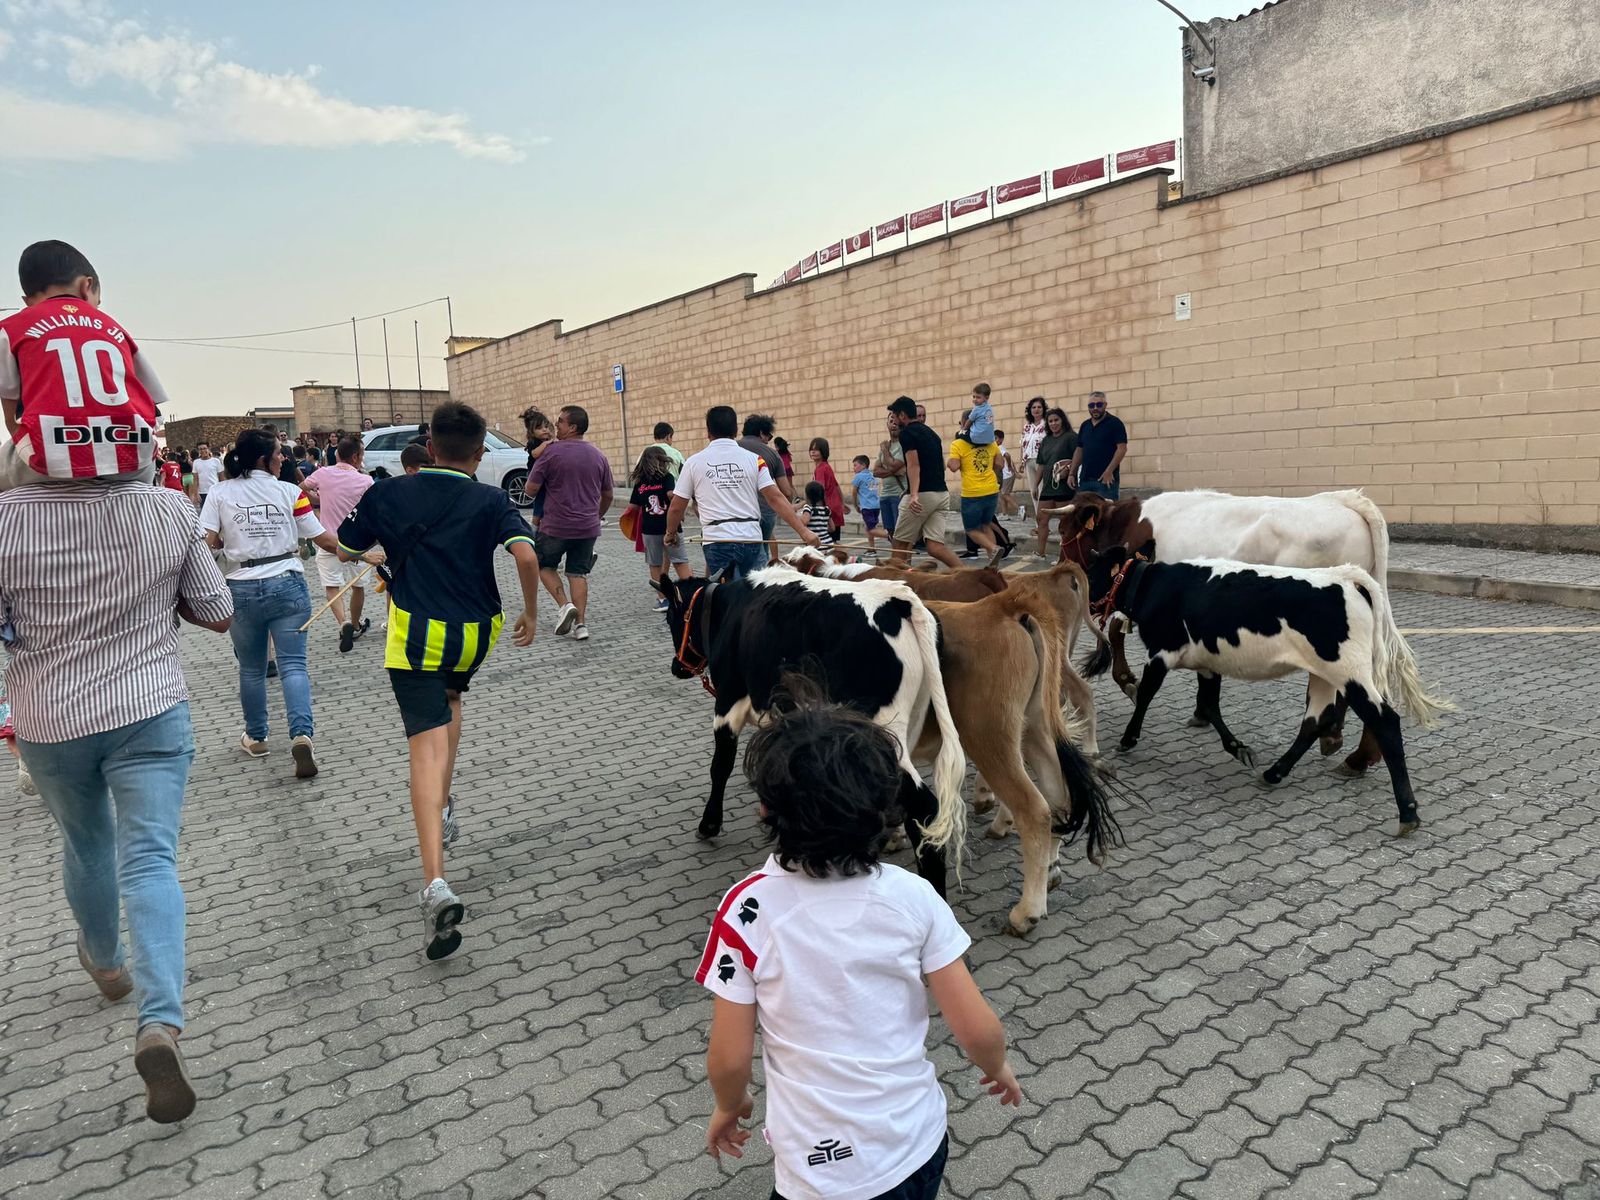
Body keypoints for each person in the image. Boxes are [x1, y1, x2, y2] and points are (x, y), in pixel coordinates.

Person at [699, 693, 1023, 1199]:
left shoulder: (747, 910)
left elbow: (731, 1057)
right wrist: (995, 1065)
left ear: (765, 807)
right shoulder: (912, 896)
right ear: (884, 809)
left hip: (818, 1168)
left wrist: (729, 1103)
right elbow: (975, 1025)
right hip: (916, 1145)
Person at [0, 455, 233, 1124]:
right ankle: (159, 1023)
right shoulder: (165, 506)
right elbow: (218, 612)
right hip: (149, 706)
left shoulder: (5, 517)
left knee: (86, 841)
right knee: (150, 859)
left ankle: (105, 964)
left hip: (50, 716)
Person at [335, 401, 540, 960]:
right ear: (479, 452)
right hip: (477, 631)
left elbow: (350, 547)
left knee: (423, 747)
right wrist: (531, 611)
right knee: (452, 697)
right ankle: (445, 804)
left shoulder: (388, 492)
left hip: (417, 631)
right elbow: (525, 554)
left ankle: (435, 883)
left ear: (428, 443)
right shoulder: (492, 497)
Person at [201, 428, 344, 778]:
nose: (284, 459)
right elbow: (323, 540)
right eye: (280, 453)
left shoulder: (219, 493)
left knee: (251, 669)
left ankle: (257, 736)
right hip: (288, 585)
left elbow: (206, 543)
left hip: (241, 588)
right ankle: (301, 734)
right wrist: (364, 554)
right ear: (264, 458)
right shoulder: (290, 492)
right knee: (294, 665)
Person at [0, 240, 166, 490]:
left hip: (48, 463)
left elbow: (11, 416)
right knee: (144, 471)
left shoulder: (11, 328)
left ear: (27, 300)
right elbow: (152, 405)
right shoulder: (115, 329)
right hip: (131, 460)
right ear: (87, 286)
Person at [665, 406, 818, 581]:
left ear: (708, 432)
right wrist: (804, 532)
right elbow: (775, 498)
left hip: (717, 540)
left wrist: (670, 533)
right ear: (736, 430)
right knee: (755, 598)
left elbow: (677, 507)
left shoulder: (693, 463)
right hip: (751, 538)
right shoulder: (755, 460)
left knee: (726, 599)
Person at [524, 405, 613, 643]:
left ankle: (565, 606)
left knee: (544, 566)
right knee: (578, 573)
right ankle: (581, 625)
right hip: (587, 528)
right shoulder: (598, 455)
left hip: (555, 526)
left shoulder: (551, 453)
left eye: (560, 422)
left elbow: (530, 491)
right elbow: (608, 494)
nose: (556, 425)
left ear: (572, 427)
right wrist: (597, 515)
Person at [303, 434, 375, 652]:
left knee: (332, 587)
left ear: (336, 454)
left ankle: (342, 622)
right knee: (358, 586)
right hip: (357, 543)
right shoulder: (366, 481)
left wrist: (318, 500)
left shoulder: (322, 473)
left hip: (327, 540)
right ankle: (355, 623)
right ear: (356, 457)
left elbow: (300, 488)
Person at [886, 396, 961, 569]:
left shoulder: (907, 434)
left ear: (903, 415)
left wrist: (913, 495)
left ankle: (897, 584)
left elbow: (913, 465)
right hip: (941, 494)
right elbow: (940, 465)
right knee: (935, 547)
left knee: (899, 543)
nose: (894, 420)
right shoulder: (931, 433)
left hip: (921, 494)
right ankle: (969, 576)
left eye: (895, 415)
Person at [630, 445, 691, 608]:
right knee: (680, 561)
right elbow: (671, 494)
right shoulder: (667, 477)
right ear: (662, 460)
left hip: (649, 530)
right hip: (670, 527)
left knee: (655, 564)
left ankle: (663, 599)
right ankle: (691, 595)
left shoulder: (639, 482)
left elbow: (633, 507)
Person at [738, 414, 791, 567]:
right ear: (761, 433)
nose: (768, 440)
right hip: (764, 512)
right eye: (769, 435)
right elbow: (786, 491)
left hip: (735, 514)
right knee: (761, 552)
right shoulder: (772, 454)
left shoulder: (732, 449)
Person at [948, 412, 1002, 559]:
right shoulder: (990, 441)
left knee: (971, 530)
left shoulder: (958, 444)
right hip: (991, 489)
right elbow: (1000, 463)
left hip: (972, 493)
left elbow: (954, 466)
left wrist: (950, 462)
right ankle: (993, 561)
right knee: (985, 525)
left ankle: (993, 548)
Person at [1033, 407, 1079, 557]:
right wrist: (1035, 485)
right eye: (1050, 421)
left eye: (1056, 420)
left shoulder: (1071, 437)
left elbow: (1079, 456)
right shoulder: (1046, 440)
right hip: (1047, 488)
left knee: (1065, 523)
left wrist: (1070, 470)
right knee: (1041, 519)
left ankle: (1065, 555)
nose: (1053, 424)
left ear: (1062, 420)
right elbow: (1041, 464)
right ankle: (1040, 553)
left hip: (1064, 488)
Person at [1067, 391, 1128, 500]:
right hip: (1085, 481)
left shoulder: (1115, 423)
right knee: (1085, 514)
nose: (1095, 408)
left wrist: (1109, 471)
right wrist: (1072, 473)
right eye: (1091, 405)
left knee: (1107, 515)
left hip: (1105, 481)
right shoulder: (1085, 426)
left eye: (1099, 405)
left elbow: (1122, 449)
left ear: (1105, 405)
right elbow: (1079, 450)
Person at [519, 407, 554, 531]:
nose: (544, 430)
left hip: (545, 476)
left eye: (546, 426)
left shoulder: (548, 441)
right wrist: (545, 444)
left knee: (547, 498)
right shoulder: (534, 442)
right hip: (535, 475)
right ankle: (534, 526)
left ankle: (543, 522)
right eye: (539, 428)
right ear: (531, 433)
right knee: (541, 499)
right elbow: (534, 454)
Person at [873, 414, 906, 540]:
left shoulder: (903, 445)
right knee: (890, 532)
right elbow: (875, 471)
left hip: (899, 494)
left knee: (901, 532)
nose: (893, 424)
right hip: (884, 495)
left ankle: (902, 559)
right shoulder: (885, 446)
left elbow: (893, 466)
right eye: (891, 421)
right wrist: (894, 470)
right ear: (887, 424)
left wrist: (885, 452)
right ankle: (896, 558)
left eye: (896, 421)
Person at [807, 438, 845, 543]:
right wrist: (842, 503)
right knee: (833, 541)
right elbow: (837, 486)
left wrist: (801, 505)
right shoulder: (826, 467)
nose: (813, 452)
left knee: (828, 542)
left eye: (816, 449)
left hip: (829, 509)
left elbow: (818, 492)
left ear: (823, 451)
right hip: (834, 507)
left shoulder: (821, 469)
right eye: (811, 449)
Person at [1018, 396, 1048, 515]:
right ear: (1030, 410)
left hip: (1041, 461)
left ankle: (1043, 522)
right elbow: (1022, 444)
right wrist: (1021, 462)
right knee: (1033, 492)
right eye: (1034, 407)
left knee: (1041, 491)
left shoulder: (1047, 424)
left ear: (1043, 409)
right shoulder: (1027, 426)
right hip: (1028, 461)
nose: (1036, 410)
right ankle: (1038, 523)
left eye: (1039, 407)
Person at [850, 453, 881, 555]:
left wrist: (855, 505)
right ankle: (872, 549)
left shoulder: (858, 476)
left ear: (863, 465)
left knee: (871, 529)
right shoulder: (872, 476)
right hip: (876, 506)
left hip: (867, 507)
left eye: (855, 465)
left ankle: (889, 535)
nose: (853, 468)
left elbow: (854, 492)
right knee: (869, 528)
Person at [800, 480, 834, 549]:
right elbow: (832, 528)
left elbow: (803, 522)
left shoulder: (808, 508)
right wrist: (821, 529)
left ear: (807, 495)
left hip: (816, 546)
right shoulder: (826, 509)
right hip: (829, 544)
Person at [995, 430, 1019, 518]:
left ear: (1001, 440)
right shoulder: (999, 448)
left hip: (1006, 475)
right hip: (1005, 475)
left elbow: (1008, 456)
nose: (994, 441)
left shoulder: (1000, 448)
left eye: (996, 438)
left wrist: (1009, 467)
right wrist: (1015, 471)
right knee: (1001, 495)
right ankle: (1005, 514)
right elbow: (1010, 460)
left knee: (1005, 494)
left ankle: (1020, 509)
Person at [964, 381, 996, 446]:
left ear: (986, 398)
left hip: (977, 438)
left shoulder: (977, 409)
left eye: (978, 397)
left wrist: (963, 429)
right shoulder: (989, 408)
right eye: (974, 397)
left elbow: (969, 421)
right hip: (990, 439)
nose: (975, 399)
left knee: (960, 435)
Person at [193, 442, 221, 510]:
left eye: (204, 448)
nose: (203, 451)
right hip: (202, 493)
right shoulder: (196, 462)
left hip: (215, 491)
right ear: (198, 451)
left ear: (208, 449)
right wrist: (196, 493)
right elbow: (195, 479)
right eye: (200, 449)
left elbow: (221, 478)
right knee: (205, 513)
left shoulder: (216, 461)